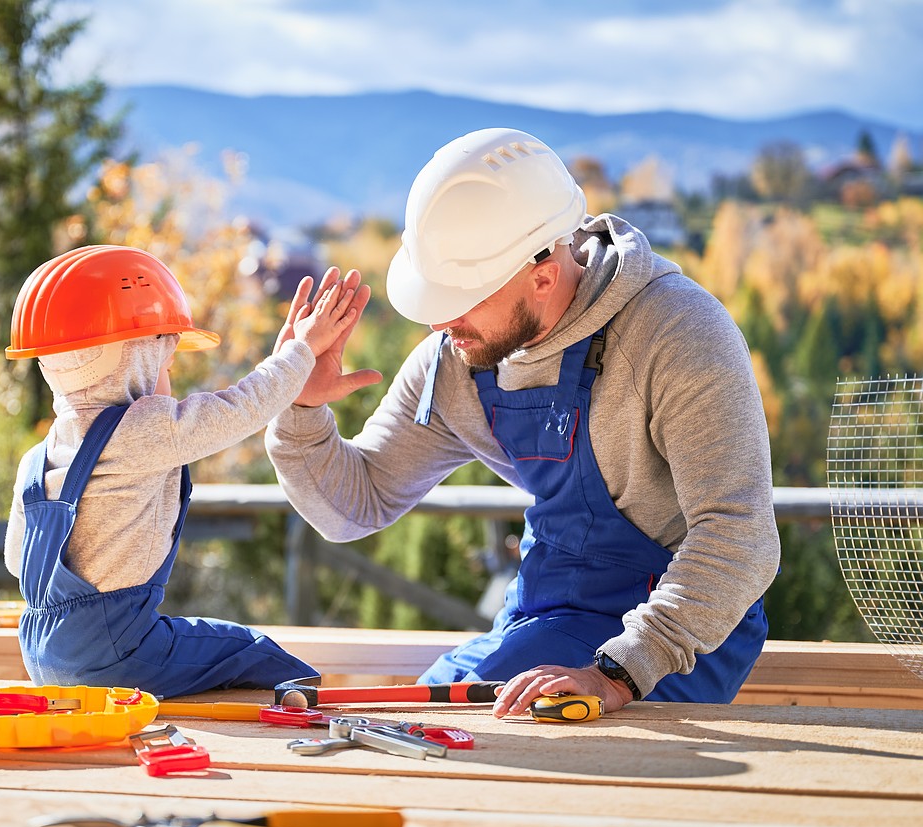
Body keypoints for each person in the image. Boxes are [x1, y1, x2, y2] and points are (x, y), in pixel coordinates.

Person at [265, 127, 780, 717]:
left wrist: (621, 671)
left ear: (543, 273)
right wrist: (300, 408)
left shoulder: (677, 334)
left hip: (680, 640)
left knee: (479, 740)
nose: (438, 323)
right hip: (545, 621)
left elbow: (742, 537)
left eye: (460, 297)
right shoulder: (462, 351)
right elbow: (355, 503)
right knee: (424, 724)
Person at [3, 244, 358, 697]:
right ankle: (306, 716)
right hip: (120, 653)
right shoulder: (143, 430)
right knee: (254, 653)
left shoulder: (38, 458)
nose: (171, 381)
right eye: (166, 363)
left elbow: (19, 560)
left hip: (40, 655)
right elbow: (244, 407)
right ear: (135, 359)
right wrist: (301, 352)